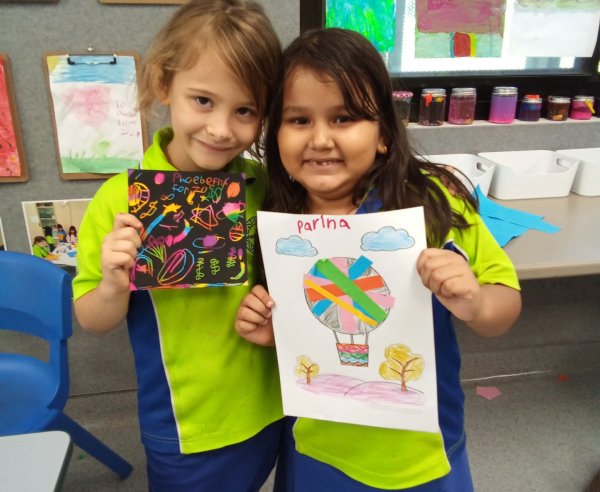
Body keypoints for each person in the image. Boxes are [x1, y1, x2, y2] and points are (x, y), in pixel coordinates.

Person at [235, 28, 522, 491]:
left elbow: (502, 308)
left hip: (421, 453)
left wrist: (474, 302)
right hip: (316, 448)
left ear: (385, 133)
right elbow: (302, 327)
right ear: (276, 132)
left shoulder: (434, 203)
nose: (320, 139)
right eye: (299, 120)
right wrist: (273, 333)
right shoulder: (273, 216)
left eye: (344, 118)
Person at [72, 1, 284, 490]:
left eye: (245, 110)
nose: (221, 128)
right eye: (203, 101)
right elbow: (92, 318)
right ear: (164, 83)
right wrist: (112, 284)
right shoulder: (120, 199)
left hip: (277, 407)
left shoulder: (265, 186)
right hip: (188, 429)